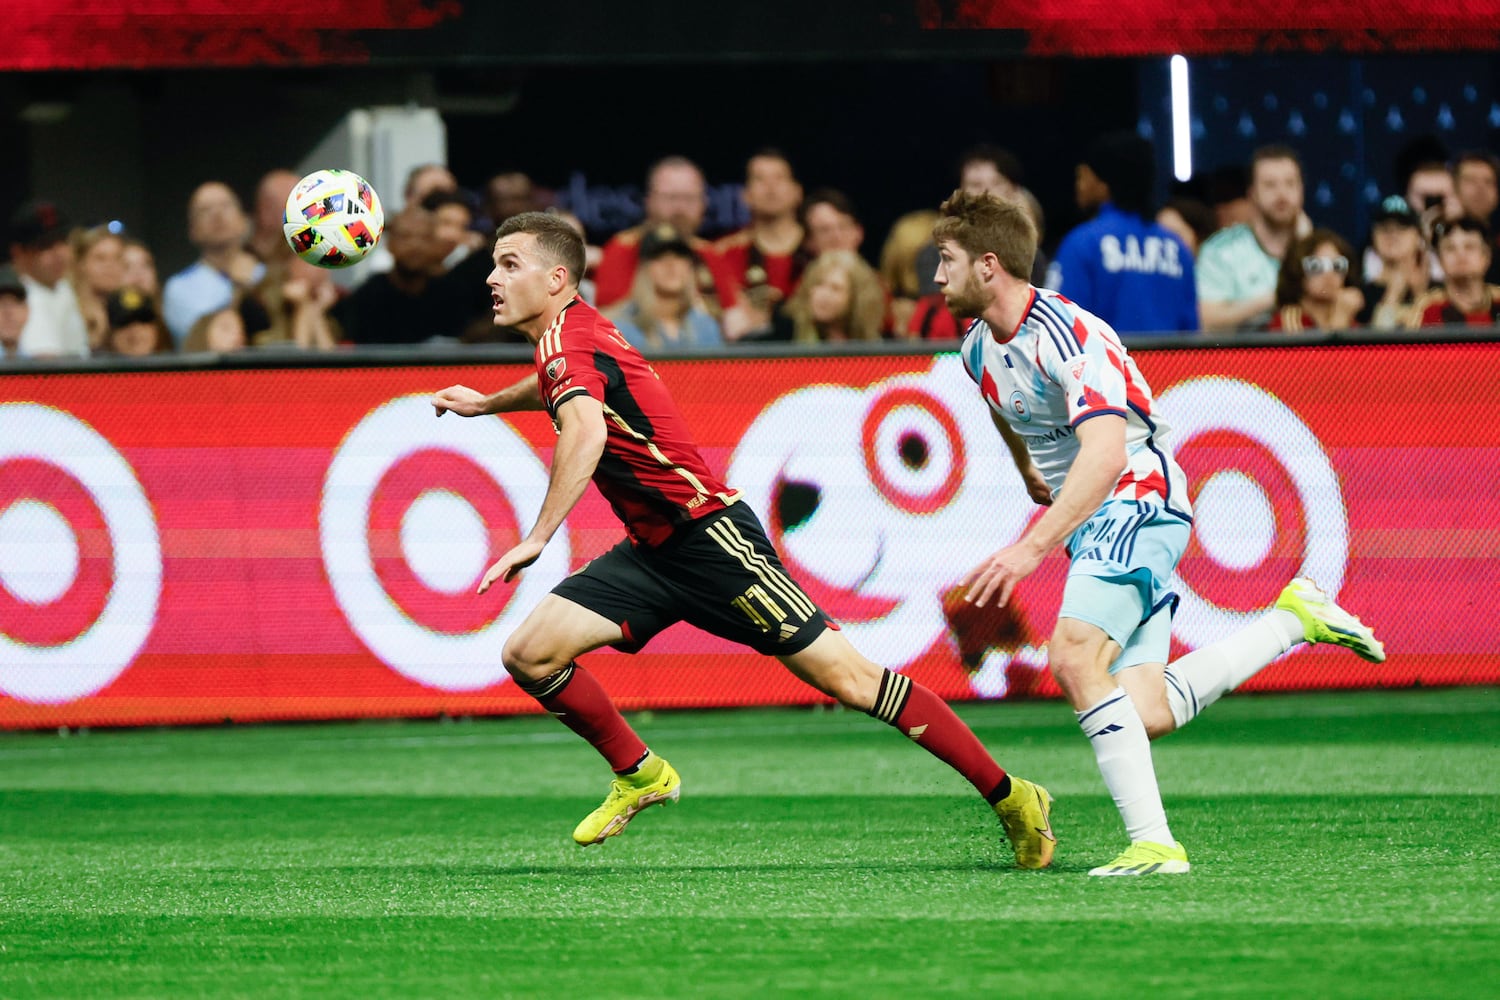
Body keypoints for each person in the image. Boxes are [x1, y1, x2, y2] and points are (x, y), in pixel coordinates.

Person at [429, 211, 1057, 867]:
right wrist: (487, 404)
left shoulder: (566, 342)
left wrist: (537, 537)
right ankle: (640, 773)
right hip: (653, 553)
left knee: (850, 680)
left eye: (508, 264)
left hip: (712, 541)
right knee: (531, 653)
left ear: (557, 278)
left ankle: (1014, 796)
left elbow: (584, 430)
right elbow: (564, 387)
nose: (491, 279)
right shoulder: (570, 334)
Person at [933, 189, 1384, 876]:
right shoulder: (975, 351)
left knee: (1074, 656)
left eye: (947, 260)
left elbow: (1108, 453)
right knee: (1143, 712)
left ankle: (1155, 845)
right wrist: (1030, 468)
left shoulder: (1072, 333)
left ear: (989, 265)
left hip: (1137, 495)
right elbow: (1002, 406)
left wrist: (1031, 546)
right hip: (1096, 517)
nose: (937, 277)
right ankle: (1293, 621)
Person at [1045, 132, 1198, 335]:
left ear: (1103, 182)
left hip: (1106, 366)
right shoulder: (1177, 249)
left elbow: (1057, 324)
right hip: (1168, 367)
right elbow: (1192, 333)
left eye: (1083, 175)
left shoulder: (1082, 243)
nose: (1078, 185)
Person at [593, 156, 735, 312]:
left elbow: (732, 317)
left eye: (689, 198)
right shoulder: (623, 250)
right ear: (649, 201)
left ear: (704, 203)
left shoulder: (710, 254)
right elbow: (607, 318)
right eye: (671, 198)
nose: (680, 208)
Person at [1195, 145, 1306, 332]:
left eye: (1290, 183)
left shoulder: (1320, 248)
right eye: (1270, 185)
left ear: (1301, 190)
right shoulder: (1220, 251)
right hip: (1242, 359)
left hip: (1312, 359)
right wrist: (1276, 298)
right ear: (1252, 194)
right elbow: (1206, 320)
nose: (1282, 194)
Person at [162, 181, 264, 347]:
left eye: (226, 206)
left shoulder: (266, 276)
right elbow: (201, 341)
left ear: (244, 221)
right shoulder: (179, 288)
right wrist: (239, 289)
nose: (217, 215)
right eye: (205, 210)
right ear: (192, 230)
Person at [606, 224, 722, 352]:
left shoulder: (705, 326)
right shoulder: (621, 329)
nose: (671, 265)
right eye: (659, 257)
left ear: (690, 266)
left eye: (679, 256)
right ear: (644, 268)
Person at [8, 200, 89, 358]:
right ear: (19, 253)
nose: (58, 253)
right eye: (46, 246)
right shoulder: (19, 297)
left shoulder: (63, 287)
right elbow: (45, 365)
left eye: (62, 242)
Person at [1408, 217, 1500, 328]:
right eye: (1450, 248)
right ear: (1440, 260)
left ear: (1486, 257)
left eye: (1469, 247)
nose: (1460, 255)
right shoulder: (1429, 307)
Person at [780, 249, 886, 343]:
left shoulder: (873, 348)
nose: (823, 294)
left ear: (856, 297)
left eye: (835, 288)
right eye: (818, 284)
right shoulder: (787, 337)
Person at [1268, 229, 1364, 332]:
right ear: (1297, 270)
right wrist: (1340, 322)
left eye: (1337, 266)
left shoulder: (1350, 321)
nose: (1329, 274)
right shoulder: (1289, 321)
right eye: (1316, 266)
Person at [1356, 196, 1430, 330]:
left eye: (1402, 228)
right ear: (1373, 238)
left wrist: (1421, 294)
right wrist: (1393, 294)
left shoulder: (1438, 288)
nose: (1393, 235)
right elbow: (1374, 345)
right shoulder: (1360, 296)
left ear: (1419, 236)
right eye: (1385, 228)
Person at [0, 265, 29, 360]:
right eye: (1, 303)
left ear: (27, 311)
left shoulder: (39, 368)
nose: (8, 312)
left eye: (15, 302)